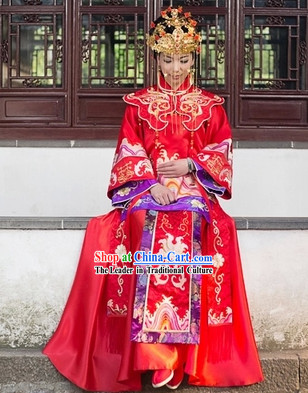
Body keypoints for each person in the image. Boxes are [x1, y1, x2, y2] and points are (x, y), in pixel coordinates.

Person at [43, 6, 264, 392]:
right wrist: (149, 185)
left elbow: (222, 150)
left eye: (182, 59)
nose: (175, 68)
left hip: (195, 191)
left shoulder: (211, 105)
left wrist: (191, 165)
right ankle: (154, 356)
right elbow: (128, 151)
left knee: (194, 222)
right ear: (155, 57)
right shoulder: (138, 104)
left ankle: (178, 358)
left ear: (194, 56)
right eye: (167, 59)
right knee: (143, 223)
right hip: (147, 191)